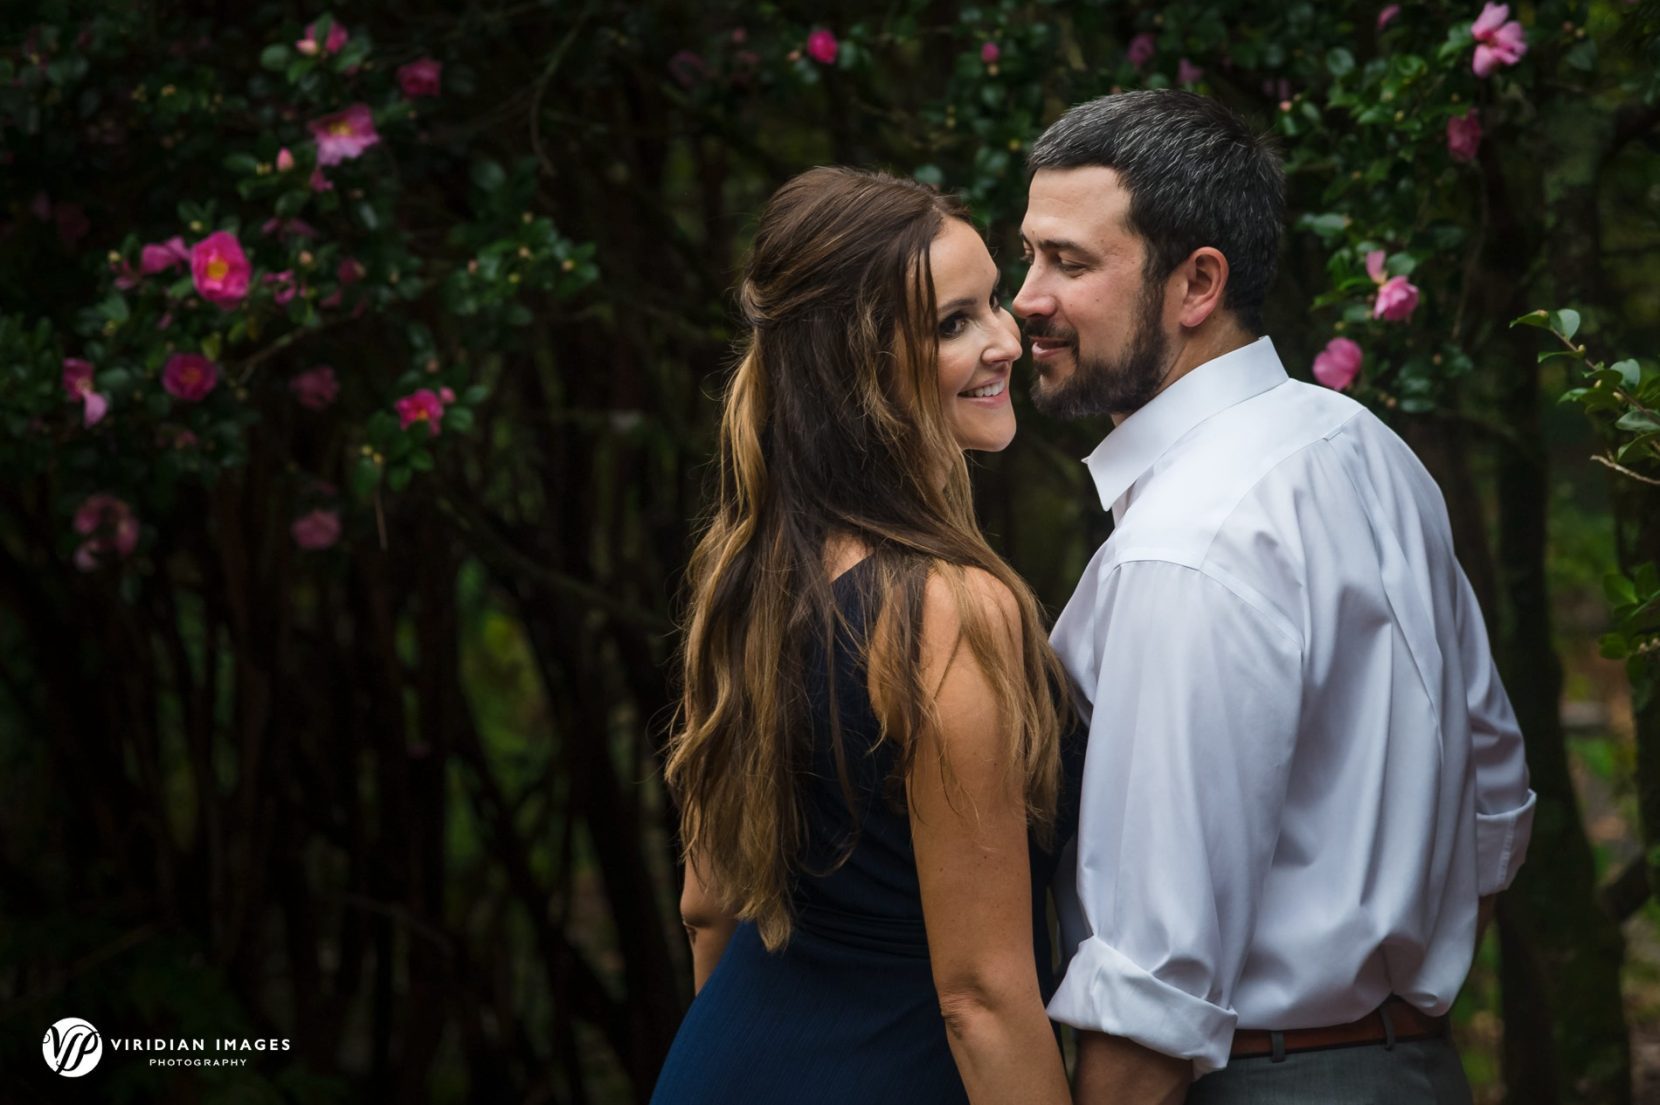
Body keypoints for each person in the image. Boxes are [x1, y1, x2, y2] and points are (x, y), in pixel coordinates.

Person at [1010, 90, 1537, 1104]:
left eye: (1068, 262)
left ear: (1195, 283)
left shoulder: (1184, 544)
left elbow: (1147, 994)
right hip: (1417, 1068)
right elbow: (1498, 809)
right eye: (1029, 254)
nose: (1025, 297)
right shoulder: (1367, 452)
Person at [651, 166, 1082, 1105]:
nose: (1007, 339)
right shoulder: (949, 609)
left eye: (994, 304)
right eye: (952, 323)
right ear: (858, 367)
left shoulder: (750, 575)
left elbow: (706, 907)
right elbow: (980, 996)